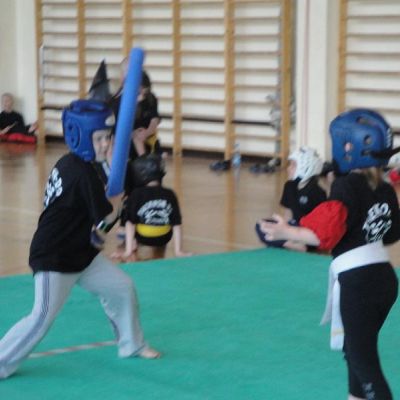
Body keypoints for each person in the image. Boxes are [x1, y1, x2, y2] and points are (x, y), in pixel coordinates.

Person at [0, 99, 160, 380]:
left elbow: (98, 217)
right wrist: (117, 205)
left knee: (121, 288)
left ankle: (131, 345)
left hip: (81, 253)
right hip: (54, 257)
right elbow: (104, 222)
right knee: (41, 317)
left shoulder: (75, 163)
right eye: (99, 138)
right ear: (80, 137)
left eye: (108, 137)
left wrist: (114, 178)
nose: (105, 143)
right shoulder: (81, 172)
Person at [261, 109, 400, 400]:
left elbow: (324, 234)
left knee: (363, 361)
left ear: (350, 148)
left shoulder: (345, 186)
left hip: (360, 284)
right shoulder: (386, 189)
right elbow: (391, 234)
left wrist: (287, 232)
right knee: (356, 351)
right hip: (384, 279)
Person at [112, 154, 191, 262]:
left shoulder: (136, 193)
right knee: (171, 220)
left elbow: (130, 223)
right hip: (164, 237)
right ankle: (175, 251)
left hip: (143, 237)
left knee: (129, 219)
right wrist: (178, 251)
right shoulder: (170, 194)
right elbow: (177, 224)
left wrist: (128, 251)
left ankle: (131, 247)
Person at [255, 146, 327, 251]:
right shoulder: (289, 186)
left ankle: (294, 243)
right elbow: (288, 214)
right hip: (293, 227)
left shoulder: (318, 192)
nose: (288, 168)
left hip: (308, 231)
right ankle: (289, 244)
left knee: (317, 238)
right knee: (261, 225)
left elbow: (322, 223)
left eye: (293, 165)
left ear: (306, 167)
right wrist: (283, 229)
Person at [109, 61, 161, 160]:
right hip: (123, 143)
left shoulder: (150, 97)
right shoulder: (116, 101)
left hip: (146, 138)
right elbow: (115, 131)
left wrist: (147, 132)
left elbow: (154, 119)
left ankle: (146, 162)